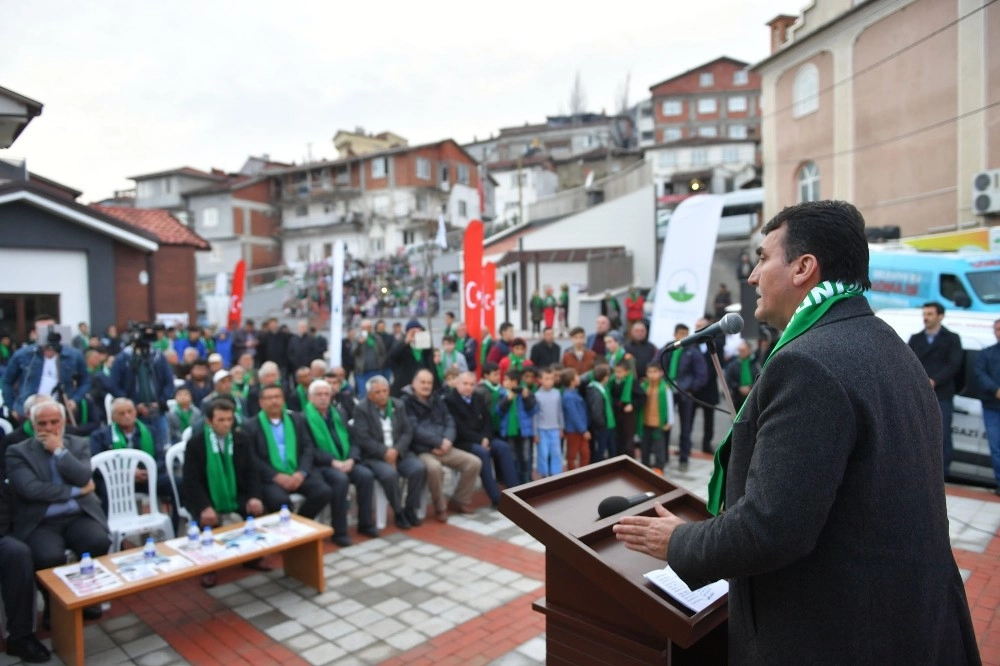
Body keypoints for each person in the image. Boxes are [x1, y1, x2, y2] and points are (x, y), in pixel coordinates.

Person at [614, 200, 980, 665]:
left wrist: (678, 542)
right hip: (910, 626)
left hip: (837, 637)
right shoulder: (887, 343)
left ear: (804, 267)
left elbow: (772, 528)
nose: (752, 276)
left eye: (764, 258)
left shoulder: (807, 364)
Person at [7, 401, 110, 626]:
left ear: (63, 422)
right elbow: (31, 490)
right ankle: (53, 605)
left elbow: (83, 476)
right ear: (33, 425)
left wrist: (60, 452)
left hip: (77, 514)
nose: (49, 428)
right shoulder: (18, 452)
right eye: (42, 423)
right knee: (48, 557)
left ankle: (87, 597)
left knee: (98, 541)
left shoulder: (77, 444)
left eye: (54, 422)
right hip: (42, 520)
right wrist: (76, 491)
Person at [181, 398, 265, 587]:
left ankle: (252, 557)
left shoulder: (241, 439)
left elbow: (252, 471)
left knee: (257, 509)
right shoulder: (196, 444)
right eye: (221, 420)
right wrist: (204, 507)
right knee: (206, 522)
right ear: (209, 421)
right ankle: (208, 568)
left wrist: (254, 496)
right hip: (206, 495)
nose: (226, 424)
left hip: (236, 492)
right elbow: (191, 481)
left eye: (229, 419)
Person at [241, 385, 333, 520]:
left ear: (283, 399)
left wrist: (301, 473)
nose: (274, 401)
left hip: (297, 472)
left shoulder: (297, 419)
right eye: (269, 398)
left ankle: (302, 523)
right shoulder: (250, 426)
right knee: (280, 502)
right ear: (261, 402)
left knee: (323, 492)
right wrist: (275, 476)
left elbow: (308, 448)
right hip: (271, 477)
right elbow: (253, 459)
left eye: (277, 397)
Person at [303, 380, 377, 546]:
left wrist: (352, 458)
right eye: (319, 394)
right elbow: (309, 450)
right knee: (340, 480)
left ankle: (365, 524)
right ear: (310, 397)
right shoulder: (303, 418)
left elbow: (354, 440)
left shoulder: (339, 413)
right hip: (323, 466)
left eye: (326, 394)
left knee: (365, 475)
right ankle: (339, 531)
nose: (323, 398)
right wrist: (332, 462)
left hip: (346, 460)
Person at [402, 370, 481, 521]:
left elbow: (449, 420)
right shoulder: (406, 402)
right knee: (434, 468)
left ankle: (458, 501)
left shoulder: (437, 399)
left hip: (445, 446)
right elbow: (414, 429)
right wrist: (437, 442)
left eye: (429, 383)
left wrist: (448, 440)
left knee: (473, 462)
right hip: (423, 450)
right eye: (423, 382)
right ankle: (440, 508)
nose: (426, 386)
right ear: (414, 383)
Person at [351, 376, 426, 529]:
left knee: (419, 469)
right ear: (369, 395)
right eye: (377, 392)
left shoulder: (398, 405)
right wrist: (384, 452)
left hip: (398, 452)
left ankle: (410, 509)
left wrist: (397, 450)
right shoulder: (361, 409)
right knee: (389, 475)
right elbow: (363, 438)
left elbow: (407, 431)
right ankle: (398, 512)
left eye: (385, 391)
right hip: (376, 456)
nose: (382, 395)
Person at [444, 372, 519, 508]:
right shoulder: (450, 401)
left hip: (483, 438)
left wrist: (486, 438)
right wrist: (480, 440)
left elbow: (487, 420)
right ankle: (496, 498)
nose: (468, 387)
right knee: (482, 453)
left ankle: (515, 492)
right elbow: (459, 428)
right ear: (457, 384)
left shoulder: (477, 397)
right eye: (465, 384)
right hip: (463, 441)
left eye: (471, 384)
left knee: (503, 447)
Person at [908, 301, 964, 477]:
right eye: (924, 314)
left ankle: (942, 474)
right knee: (916, 434)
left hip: (942, 394)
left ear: (940, 316)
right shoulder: (916, 338)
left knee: (942, 435)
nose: (926, 317)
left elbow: (954, 364)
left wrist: (935, 380)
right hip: (919, 394)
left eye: (930, 314)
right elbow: (909, 362)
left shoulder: (952, 339)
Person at [1, 314, 89, 422]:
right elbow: (6, 382)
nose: (47, 333)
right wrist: (12, 407)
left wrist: (75, 400)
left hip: (61, 410)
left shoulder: (73, 355)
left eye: (50, 329)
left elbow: (85, 381)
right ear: (35, 333)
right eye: (42, 330)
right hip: (28, 411)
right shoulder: (23, 355)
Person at [109, 324, 175, 458]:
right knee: (137, 449)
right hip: (133, 414)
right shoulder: (123, 358)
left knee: (161, 448)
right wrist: (133, 405)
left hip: (158, 411)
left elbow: (169, 383)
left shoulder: (158, 356)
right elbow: (114, 386)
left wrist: (160, 402)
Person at [661, 323, 707, 472]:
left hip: (685, 392)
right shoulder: (669, 348)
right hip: (668, 390)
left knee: (685, 426)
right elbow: (657, 363)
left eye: (686, 333)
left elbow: (702, 374)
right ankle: (663, 455)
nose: (683, 336)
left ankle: (684, 457)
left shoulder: (692, 351)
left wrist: (692, 388)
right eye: (681, 333)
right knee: (666, 422)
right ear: (675, 334)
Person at [973, 318, 1000, 497]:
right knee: (996, 447)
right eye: (997, 329)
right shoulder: (987, 353)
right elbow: (979, 373)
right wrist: (995, 390)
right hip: (992, 405)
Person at [498, 369, 538, 484]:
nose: (504, 382)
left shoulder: (526, 393)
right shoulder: (502, 393)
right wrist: (508, 400)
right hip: (509, 431)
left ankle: (526, 477)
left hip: (524, 431)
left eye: (506, 380)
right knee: (513, 455)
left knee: (526, 455)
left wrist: (526, 398)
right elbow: (499, 411)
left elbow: (533, 410)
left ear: (514, 382)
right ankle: (515, 479)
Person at [692, 315, 724, 454]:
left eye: (701, 326)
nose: (699, 329)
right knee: (689, 417)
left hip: (709, 388)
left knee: (709, 420)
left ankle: (707, 444)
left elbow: (719, 364)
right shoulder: (691, 344)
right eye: (697, 326)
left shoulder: (717, 344)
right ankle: (686, 444)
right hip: (694, 389)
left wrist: (705, 378)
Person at [387, 320, 438, 397]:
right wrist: (406, 341)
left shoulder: (425, 347)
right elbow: (392, 356)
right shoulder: (401, 345)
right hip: (406, 385)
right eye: (413, 332)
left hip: (423, 384)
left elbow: (431, 364)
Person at [637, 363, 672, 472]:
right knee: (645, 447)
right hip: (645, 421)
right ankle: (645, 467)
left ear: (661, 373)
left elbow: (670, 405)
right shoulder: (643, 386)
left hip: (658, 423)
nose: (652, 375)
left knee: (659, 448)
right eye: (650, 372)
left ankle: (659, 467)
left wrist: (669, 422)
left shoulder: (665, 388)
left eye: (655, 372)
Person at [532, 368, 563, 477]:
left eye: (551, 379)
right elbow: (535, 415)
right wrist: (535, 432)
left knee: (556, 453)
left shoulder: (557, 393)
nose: (549, 381)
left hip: (555, 428)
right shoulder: (537, 395)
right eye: (546, 379)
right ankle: (544, 474)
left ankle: (556, 474)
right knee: (543, 454)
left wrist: (561, 427)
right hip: (542, 429)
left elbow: (560, 411)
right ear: (540, 380)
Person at [560, 369, 590, 470]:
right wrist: (583, 430)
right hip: (574, 430)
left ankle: (582, 473)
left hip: (579, 430)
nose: (579, 377)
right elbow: (574, 415)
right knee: (572, 455)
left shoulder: (573, 393)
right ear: (572, 381)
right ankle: (572, 474)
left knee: (585, 453)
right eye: (576, 376)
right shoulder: (569, 397)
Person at [586, 364, 616, 462]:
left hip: (608, 424)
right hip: (602, 427)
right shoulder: (596, 391)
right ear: (604, 377)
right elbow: (596, 412)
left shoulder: (604, 388)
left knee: (611, 449)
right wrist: (602, 424)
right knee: (600, 450)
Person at [351, 320, 387, 401]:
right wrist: (359, 344)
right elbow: (353, 353)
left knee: (376, 393)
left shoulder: (376, 338)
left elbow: (383, 352)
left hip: (376, 370)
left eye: (368, 327)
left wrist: (381, 363)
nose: (366, 329)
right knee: (363, 395)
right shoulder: (357, 338)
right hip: (362, 372)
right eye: (364, 328)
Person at [724, 340, 761, 411]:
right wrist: (738, 387)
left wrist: (750, 387)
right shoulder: (733, 365)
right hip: (737, 397)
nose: (741, 352)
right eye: (740, 350)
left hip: (752, 397)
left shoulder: (755, 364)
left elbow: (759, 378)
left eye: (743, 350)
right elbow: (729, 379)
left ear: (749, 350)